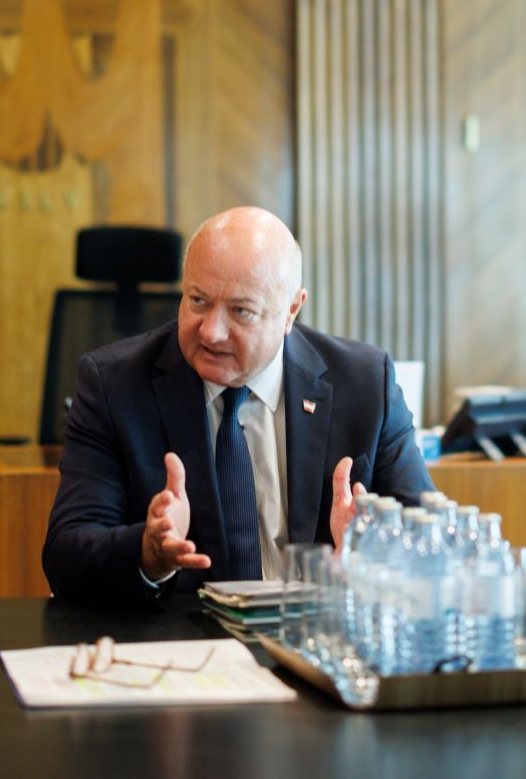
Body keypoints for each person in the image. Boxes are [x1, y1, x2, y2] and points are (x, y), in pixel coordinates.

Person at [43, 206, 435, 601]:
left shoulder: (364, 384)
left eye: (241, 311)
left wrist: (374, 551)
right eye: (197, 301)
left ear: (291, 311)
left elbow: (431, 548)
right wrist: (148, 554)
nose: (211, 332)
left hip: (311, 642)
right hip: (186, 651)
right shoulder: (115, 384)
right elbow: (66, 557)